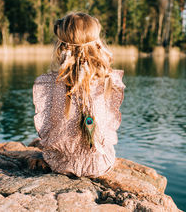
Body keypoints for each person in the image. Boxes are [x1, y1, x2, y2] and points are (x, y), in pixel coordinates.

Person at [32, 12, 126, 178]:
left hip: (61, 163)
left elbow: (47, 128)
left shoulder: (49, 83)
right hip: (99, 164)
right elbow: (108, 126)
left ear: (61, 46)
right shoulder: (107, 80)